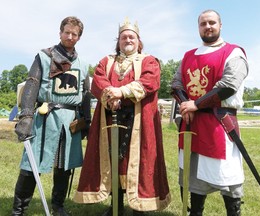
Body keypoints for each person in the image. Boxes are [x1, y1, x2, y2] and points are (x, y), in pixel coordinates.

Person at [73, 18, 171, 215]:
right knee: (113, 160)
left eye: (131, 37)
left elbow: (150, 81)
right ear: (118, 41)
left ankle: (139, 207)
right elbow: (98, 81)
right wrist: (110, 95)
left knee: (140, 162)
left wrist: (122, 92)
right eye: (123, 37)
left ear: (138, 40)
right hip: (110, 119)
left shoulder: (148, 61)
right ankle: (115, 205)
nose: (127, 39)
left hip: (140, 122)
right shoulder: (107, 61)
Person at [171, 10, 249, 216]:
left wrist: (195, 104)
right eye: (203, 23)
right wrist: (186, 104)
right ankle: (195, 213)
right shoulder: (188, 56)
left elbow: (229, 85)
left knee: (227, 174)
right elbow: (176, 84)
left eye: (212, 22)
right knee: (193, 173)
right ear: (198, 28)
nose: (208, 26)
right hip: (192, 124)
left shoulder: (233, 52)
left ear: (220, 25)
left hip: (220, 123)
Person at [12, 16, 91, 216]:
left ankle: (58, 206)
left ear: (79, 37)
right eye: (67, 32)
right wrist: (26, 116)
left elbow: (86, 95)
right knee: (31, 165)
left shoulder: (82, 63)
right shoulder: (44, 56)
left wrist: (87, 121)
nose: (70, 37)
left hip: (70, 121)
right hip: (46, 119)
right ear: (60, 33)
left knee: (64, 167)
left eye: (74, 34)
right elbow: (32, 83)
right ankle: (19, 210)